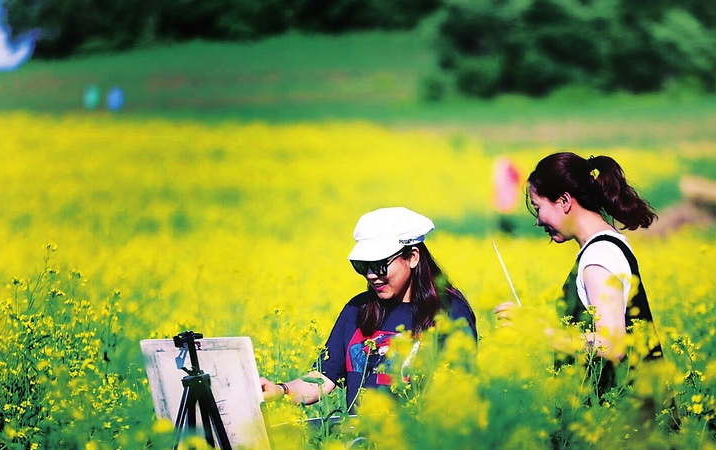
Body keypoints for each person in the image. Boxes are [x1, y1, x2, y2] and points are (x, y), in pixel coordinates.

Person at [260, 207, 477, 412]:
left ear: (412, 257)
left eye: (380, 264)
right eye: (363, 266)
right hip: (360, 445)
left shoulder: (450, 312)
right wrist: (281, 390)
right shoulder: (357, 310)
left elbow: (458, 392)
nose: (371, 275)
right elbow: (323, 379)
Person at [495, 152, 662, 397]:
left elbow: (612, 344)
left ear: (564, 201)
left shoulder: (598, 258)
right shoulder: (609, 246)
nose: (539, 222)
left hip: (622, 420)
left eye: (539, 208)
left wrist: (537, 331)